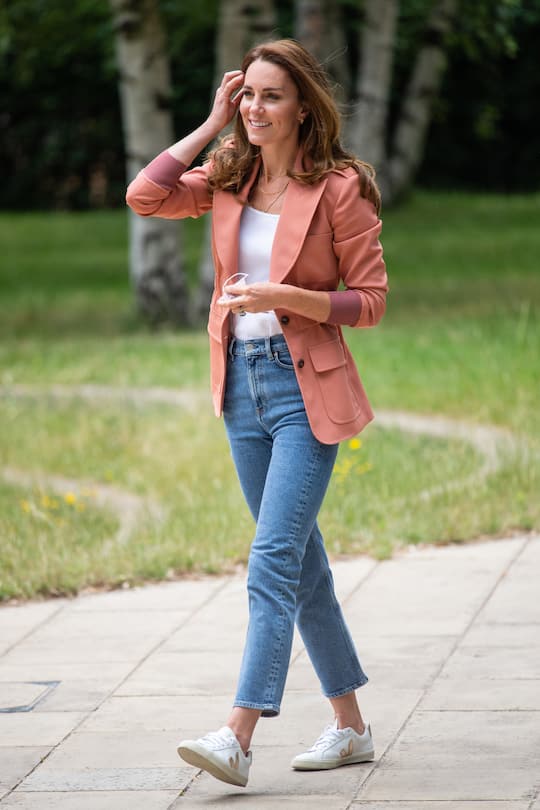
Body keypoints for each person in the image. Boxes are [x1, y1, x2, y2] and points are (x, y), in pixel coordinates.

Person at [126, 38, 388, 789]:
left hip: (307, 391)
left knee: (272, 560)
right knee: (302, 566)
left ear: (304, 106)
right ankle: (351, 727)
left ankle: (239, 735)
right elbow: (145, 195)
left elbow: (369, 301)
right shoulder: (230, 178)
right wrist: (211, 123)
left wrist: (286, 299)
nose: (255, 107)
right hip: (242, 388)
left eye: (271, 96)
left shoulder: (341, 189)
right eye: (248, 95)